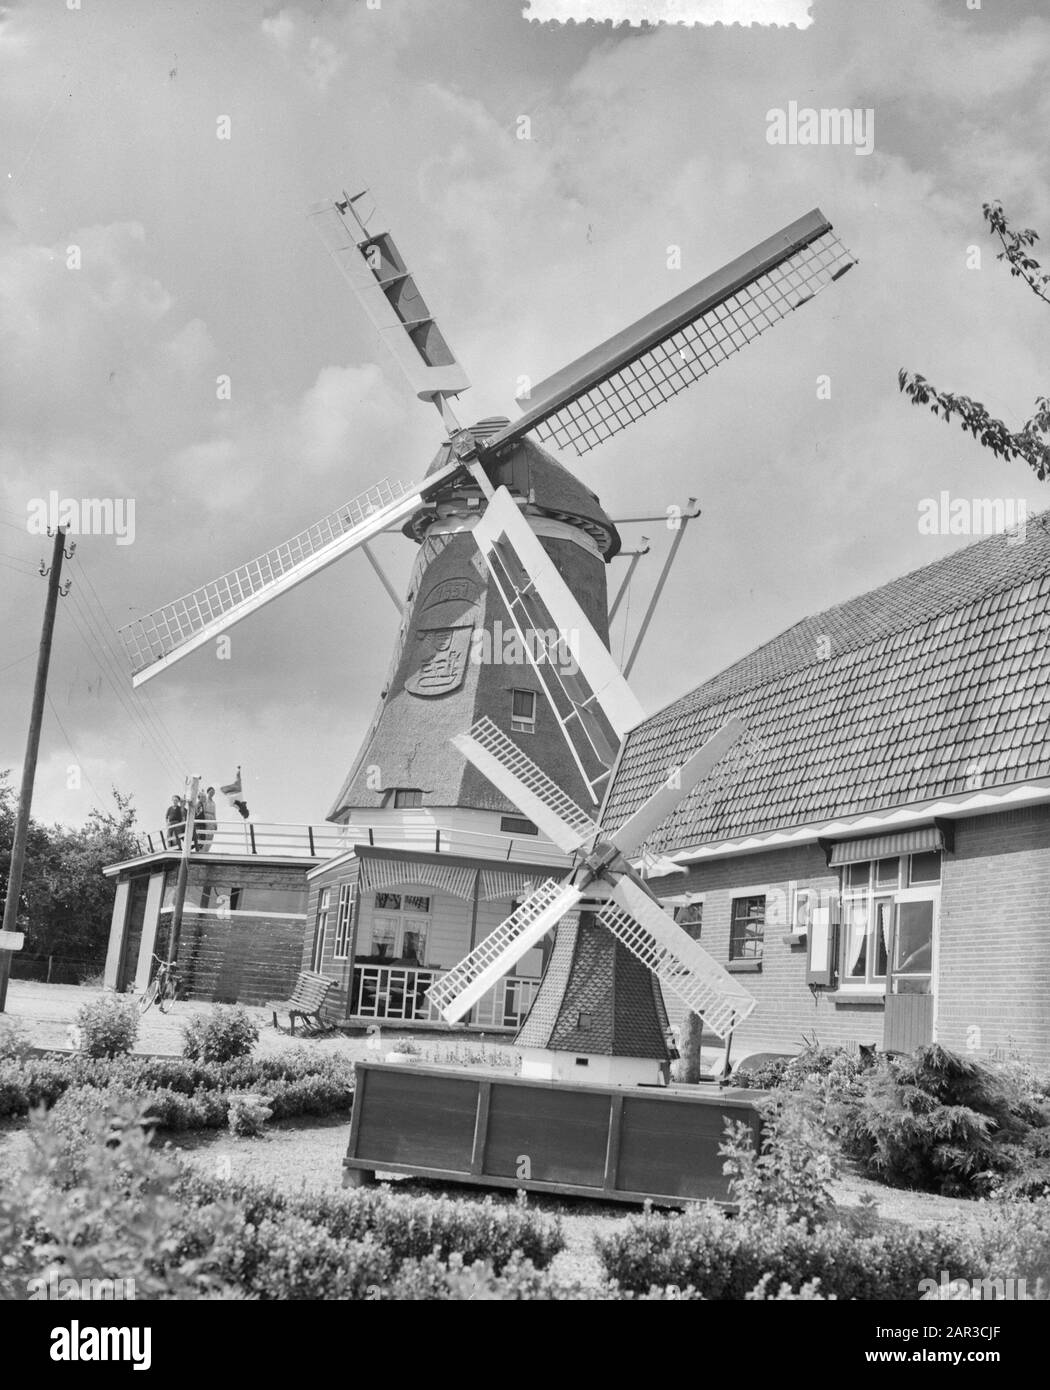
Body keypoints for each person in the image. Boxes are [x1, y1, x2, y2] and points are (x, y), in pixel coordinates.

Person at [198, 786, 217, 852]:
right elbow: (201, 807)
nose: (212, 793)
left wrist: (215, 823)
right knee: (205, 835)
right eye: (211, 791)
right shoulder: (205, 800)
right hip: (206, 816)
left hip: (212, 818)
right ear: (208, 792)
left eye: (213, 792)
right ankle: (202, 850)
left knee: (211, 836)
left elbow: (214, 813)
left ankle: (207, 851)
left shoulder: (213, 802)